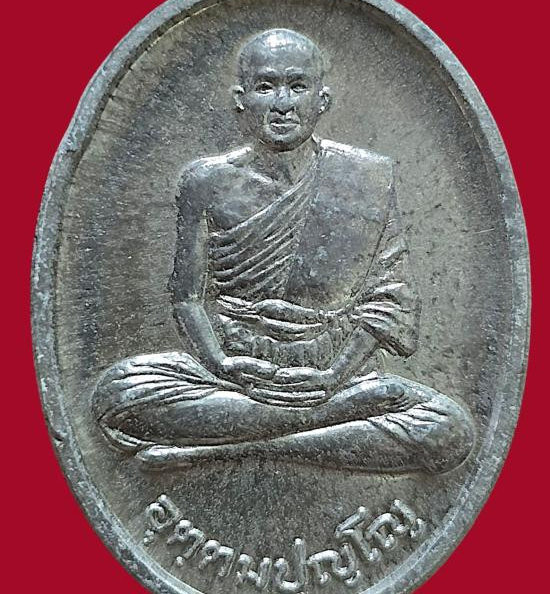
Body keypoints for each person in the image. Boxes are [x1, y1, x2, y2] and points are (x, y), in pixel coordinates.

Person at [92, 28, 474, 473]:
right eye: (265, 86)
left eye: (297, 86)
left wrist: (333, 377)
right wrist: (221, 363)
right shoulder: (205, 181)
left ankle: (221, 449)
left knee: (449, 430)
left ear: (322, 100)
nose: (283, 103)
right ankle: (330, 420)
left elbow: (391, 299)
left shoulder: (367, 178)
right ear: (241, 99)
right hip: (235, 372)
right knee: (119, 395)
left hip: (333, 370)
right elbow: (187, 297)